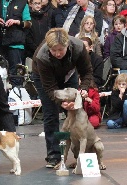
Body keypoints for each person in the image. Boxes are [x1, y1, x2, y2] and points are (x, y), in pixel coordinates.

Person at [31, 28, 92, 168]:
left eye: (61, 50)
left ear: (67, 45)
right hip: (44, 77)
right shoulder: (42, 56)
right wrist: (62, 102)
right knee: (51, 112)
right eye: (54, 50)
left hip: (69, 74)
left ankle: (80, 154)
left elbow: (87, 72)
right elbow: (50, 89)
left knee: (75, 113)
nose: (58, 53)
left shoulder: (78, 47)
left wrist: (83, 89)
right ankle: (54, 155)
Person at [0, 0, 32, 75]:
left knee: (16, 74)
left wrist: (17, 22)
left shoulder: (22, 3)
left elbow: (29, 23)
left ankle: (17, 86)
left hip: (15, 44)